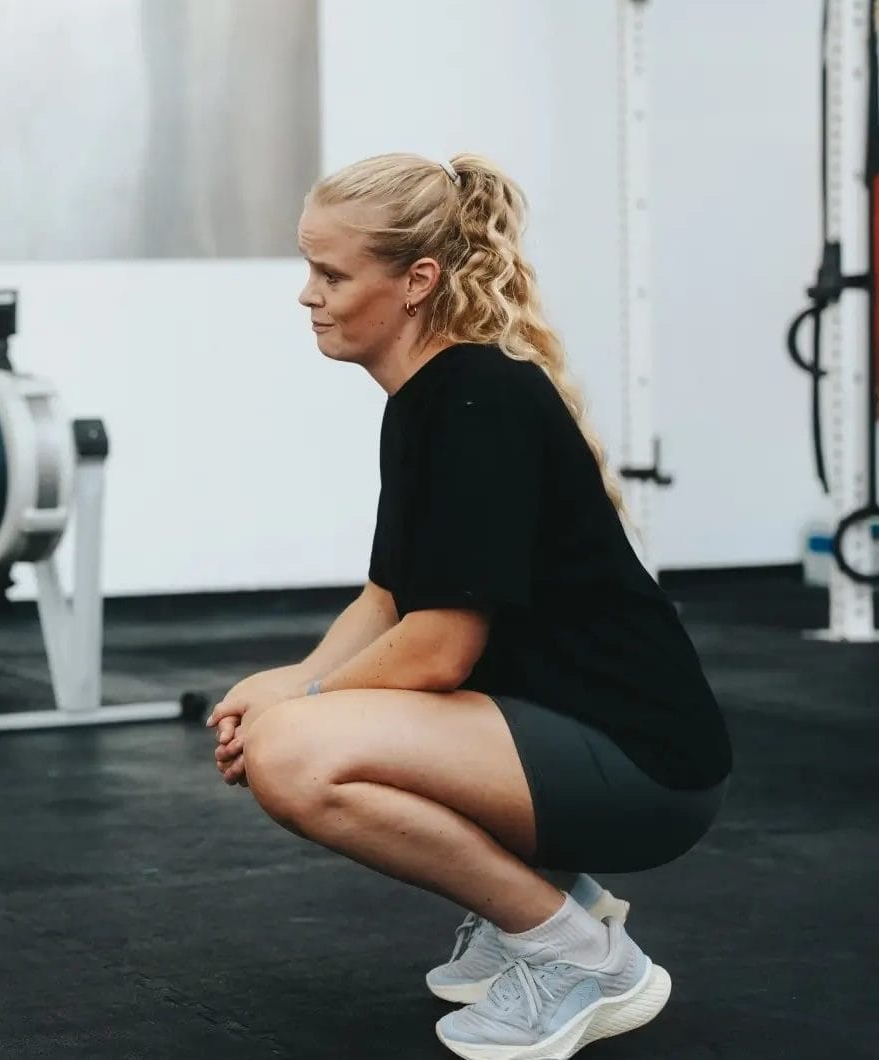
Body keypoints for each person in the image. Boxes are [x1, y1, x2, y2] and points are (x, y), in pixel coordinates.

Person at [206, 152, 732, 1060]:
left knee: (294, 756)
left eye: (331, 273)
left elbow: (440, 648)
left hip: (646, 768)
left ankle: (576, 953)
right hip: (563, 733)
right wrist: (291, 677)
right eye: (309, 268)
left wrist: (300, 710)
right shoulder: (428, 399)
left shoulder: (478, 399)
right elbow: (391, 597)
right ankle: (552, 901)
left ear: (417, 281)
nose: (308, 294)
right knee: (290, 726)